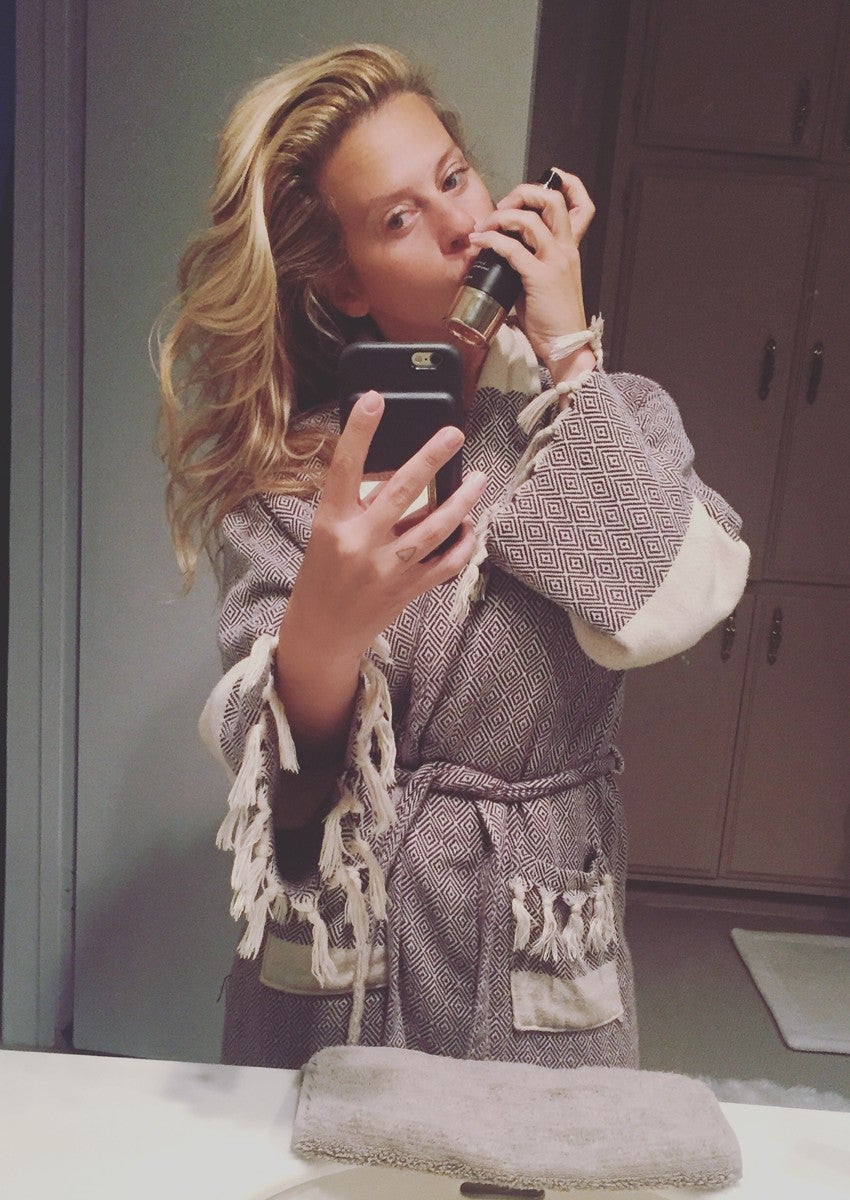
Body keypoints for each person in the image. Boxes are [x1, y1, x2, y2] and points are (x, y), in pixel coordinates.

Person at [158, 43, 749, 1071]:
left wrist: (569, 358)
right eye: (399, 218)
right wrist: (320, 638)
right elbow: (282, 814)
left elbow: (669, 601)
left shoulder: (607, 418)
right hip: (344, 967)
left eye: (455, 178)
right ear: (344, 280)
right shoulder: (295, 480)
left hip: (535, 957)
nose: (461, 227)